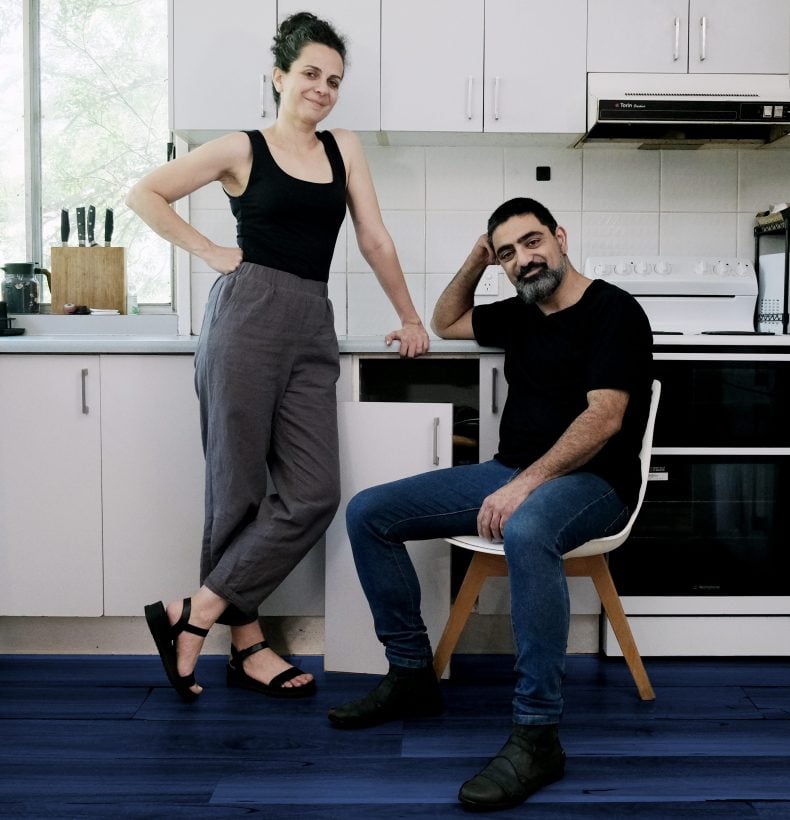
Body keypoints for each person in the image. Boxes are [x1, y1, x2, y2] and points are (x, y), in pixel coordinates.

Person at [127, 12, 429, 703]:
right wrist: (208, 251)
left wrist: (410, 315)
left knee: (314, 493)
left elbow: (375, 239)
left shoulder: (342, 147)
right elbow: (145, 193)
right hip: (247, 316)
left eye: (334, 80)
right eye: (310, 75)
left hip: (312, 323)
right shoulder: (241, 146)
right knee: (236, 492)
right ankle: (248, 646)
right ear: (279, 76)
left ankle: (192, 615)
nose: (323, 89)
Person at [327, 197, 653, 811]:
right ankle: (410, 676)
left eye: (531, 243)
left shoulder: (614, 310)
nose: (524, 260)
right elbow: (447, 320)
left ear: (559, 236)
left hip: (596, 483)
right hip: (510, 472)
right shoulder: (524, 311)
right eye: (508, 253)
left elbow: (606, 419)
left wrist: (523, 484)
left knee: (528, 531)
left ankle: (537, 734)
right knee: (370, 512)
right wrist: (478, 256)